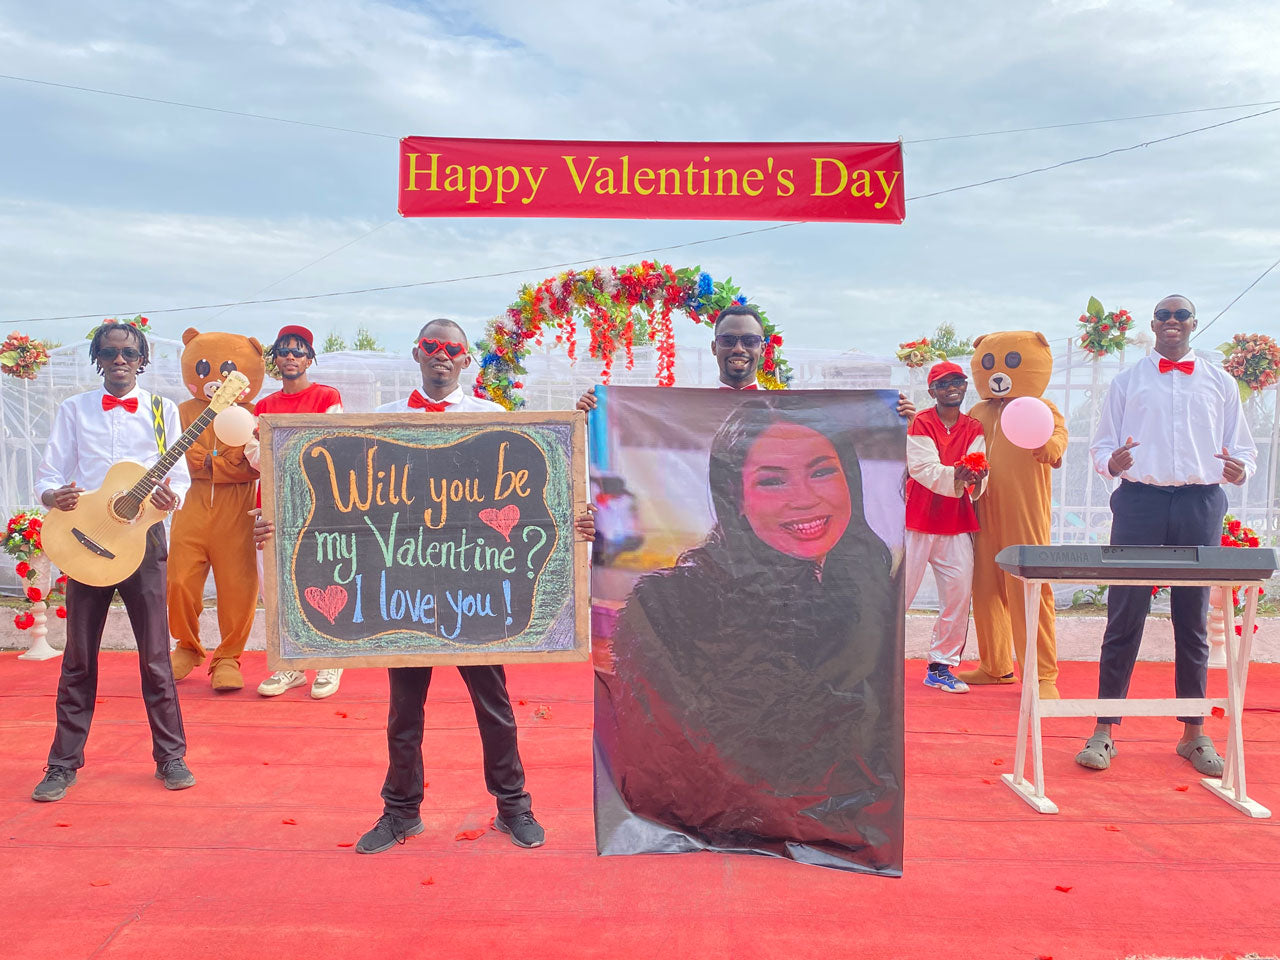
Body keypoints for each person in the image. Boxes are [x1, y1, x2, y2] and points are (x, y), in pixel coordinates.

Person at [253, 317, 594, 854]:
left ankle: (514, 806)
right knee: (403, 712)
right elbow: (333, 501)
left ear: (465, 360)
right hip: (403, 588)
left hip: (473, 591)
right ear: (417, 353)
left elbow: (538, 494)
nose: (442, 355)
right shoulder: (379, 421)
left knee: (495, 706)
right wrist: (278, 524)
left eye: (452, 349)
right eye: (432, 347)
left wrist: (574, 520)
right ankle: (400, 812)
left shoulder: (494, 418)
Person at [596, 393, 903, 872]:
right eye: (773, 480)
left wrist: (906, 418)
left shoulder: (871, 587)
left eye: (821, 471)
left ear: (851, 481)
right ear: (735, 497)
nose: (805, 497)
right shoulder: (671, 607)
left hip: (840, 839)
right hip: (717, 837)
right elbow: (662, 760)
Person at [1076, 294, 1256, 774]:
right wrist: (1109, 463)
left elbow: (1243, 448)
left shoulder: (1220, 382)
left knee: (1193, 619)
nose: (1171, 322)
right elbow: (1101, 446)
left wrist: (1242, 471)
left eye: (1180, 315)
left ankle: (1194, 734)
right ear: (1152, 325)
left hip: (1200, 503)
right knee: (1124, 614)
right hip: (1139, 502)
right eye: (1163, 315)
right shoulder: (1127, 380)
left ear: (1194, 323)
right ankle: (1104, 730)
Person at [31, 322, 195, 801]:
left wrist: (168, 500)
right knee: (78, 657)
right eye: (109, 352)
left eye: (128, 353)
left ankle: (171, 757)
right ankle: (62, 764)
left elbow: (179, 481)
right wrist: (51, 495)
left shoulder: (164, 412)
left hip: (142, 543)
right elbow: (49, 473)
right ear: (97, 359)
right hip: (86, 541)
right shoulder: (73, 409)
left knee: (156, 656)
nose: (119, 360)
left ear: (141, 360)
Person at [577, 302, 918, 416]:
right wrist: (596, 411)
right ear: (714, 348)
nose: (738, 349)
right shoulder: (688, 408)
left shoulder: (783, 409)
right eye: (728, 340)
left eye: (749, 340)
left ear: (762, 348)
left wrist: (890, 417)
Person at [250, 324, 346, 700]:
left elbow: (333, 445)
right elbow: (255, 458)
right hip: (271, 505)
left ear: (310, 358)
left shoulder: (327, 396)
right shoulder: (263, 407)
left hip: (317, 504)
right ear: (275, 359)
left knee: (322, 576)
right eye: (284, 350)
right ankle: (289, 667)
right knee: (275, 585)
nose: (291, 356)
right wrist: (271, 448)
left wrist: (281, 448)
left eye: (299, 350)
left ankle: (328, 658)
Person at [903, 361, 988, 694]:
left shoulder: (973, 426)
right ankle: (878, 661)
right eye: (944, 383)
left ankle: (941, 666)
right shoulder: (921, 422)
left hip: (955, 520)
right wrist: (959, 473)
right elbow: (922, 467)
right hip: (916, 519)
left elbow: (978, 462)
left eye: (958, 381)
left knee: (957, 594)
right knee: (900, 594)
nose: (953, 387)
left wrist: (977, 476)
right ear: (932, 391)